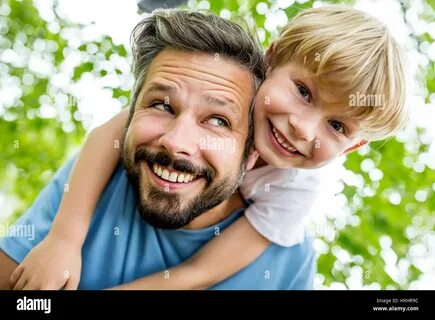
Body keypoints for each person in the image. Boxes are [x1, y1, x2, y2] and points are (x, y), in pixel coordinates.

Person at [4, 6, 407, 290]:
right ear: (271, 60)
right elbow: (110, 133)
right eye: (302, 91)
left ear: (352, 147)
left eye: (336, 125)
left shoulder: (290, 203)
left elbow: (196, 274)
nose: (301, 128)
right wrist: (64, 240)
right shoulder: (147, 145)